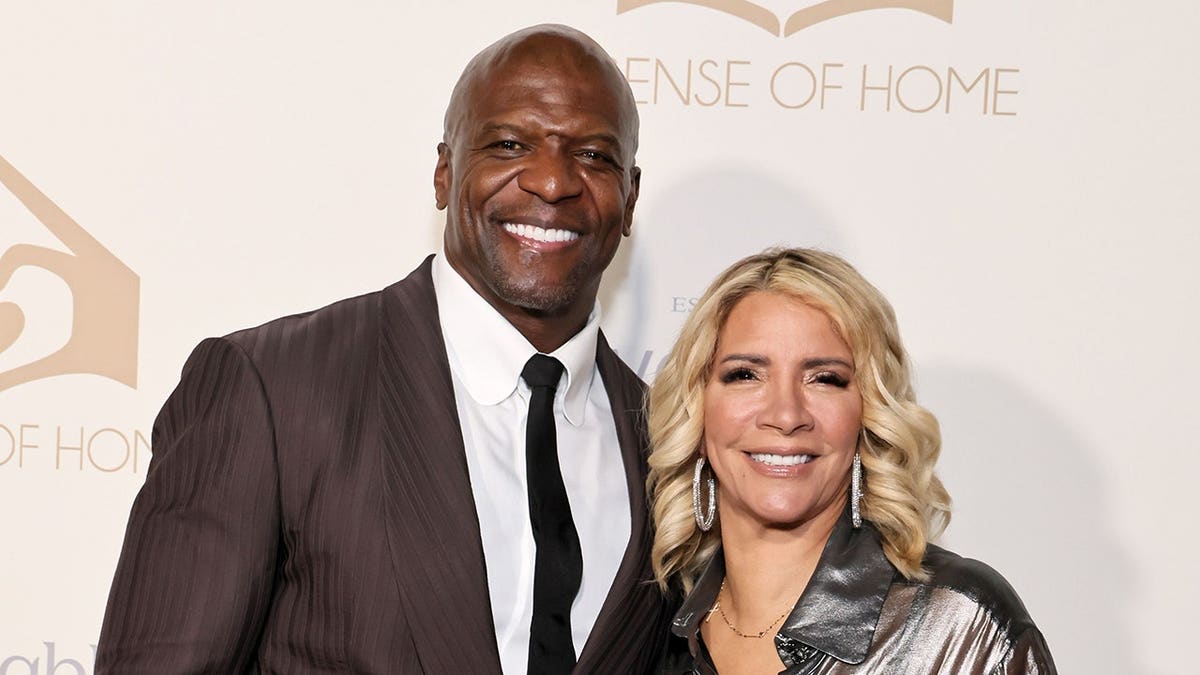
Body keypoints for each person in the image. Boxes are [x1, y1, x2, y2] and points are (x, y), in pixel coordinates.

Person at [96, 24, 670, 674]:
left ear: (630, 198)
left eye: (593, 155)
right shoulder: (273, 389)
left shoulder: (667, 444)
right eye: (510, 143)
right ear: (444, 172)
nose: (551, 180)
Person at [647, 248, 1056, 674]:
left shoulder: (959, 628)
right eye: (746, 375)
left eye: (825, 379)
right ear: (697, 410)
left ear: (868, 415)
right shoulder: (654, 632)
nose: (786, 416)